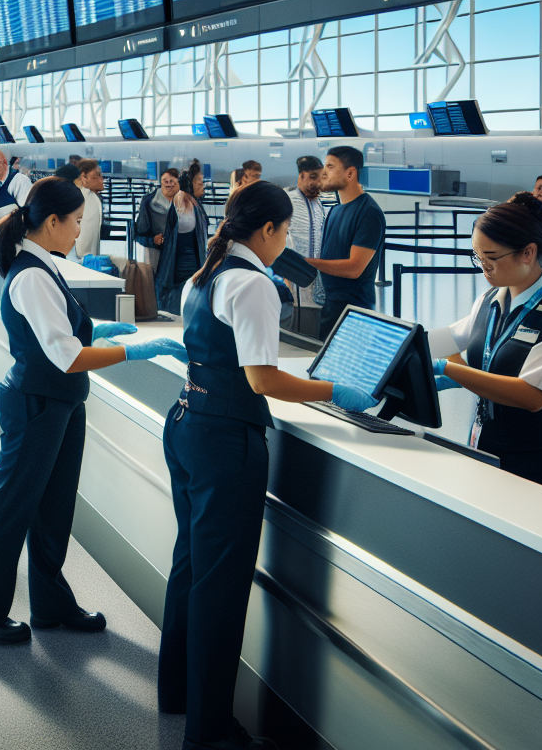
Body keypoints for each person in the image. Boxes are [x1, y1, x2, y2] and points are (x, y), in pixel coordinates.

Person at [159, 181, 376, 750]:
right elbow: (263, 379)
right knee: (222, 586)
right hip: (227, 441)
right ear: (270, 231)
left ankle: (177, 693)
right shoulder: (252, 284)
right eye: (285, 233)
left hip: (185, 423)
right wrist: (336, 389)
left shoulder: (202, 276)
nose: (287, 242)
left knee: (190, 567)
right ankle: (209, 732)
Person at [0, 178, 186, 645]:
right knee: (10, 507)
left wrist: (100, 329)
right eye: (78, 222)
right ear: (53, 221)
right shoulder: (31, 275)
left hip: (60, 403)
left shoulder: (48, 265)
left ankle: (50, 604)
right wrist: (135, 352)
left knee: (54, 509)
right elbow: (66, 355)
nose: (81, 231)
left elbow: (61, 330)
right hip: (37, 404)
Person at [433, 194, 542, 499]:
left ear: (527, 253)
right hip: (487, 451)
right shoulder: (490, 301)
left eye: (491, 258)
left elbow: (532, 395)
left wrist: (450, 370)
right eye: (477, 257)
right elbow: (446, 339)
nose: (483, 267)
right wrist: (389, 343)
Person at [306, 145, 384, 336]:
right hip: (331, 308)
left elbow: (354, 268)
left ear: (350, 173)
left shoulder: (368, 213)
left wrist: (307, 263)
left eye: (330, 167)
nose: (323, 173)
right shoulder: (334, 210)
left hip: (356, 315)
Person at [134, 166, 209, 314]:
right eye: (165, 181)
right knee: (171, 308)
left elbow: (201, 239)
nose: (169, 185)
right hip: (166, 266)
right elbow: (139, 234)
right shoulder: (151, 204)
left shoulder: (197, 209)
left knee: (190, 306)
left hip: (193, 266)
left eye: (172, 181)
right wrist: (152, 240)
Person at [284, 156, 329, 332]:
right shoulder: (288, 200)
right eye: (312, 177)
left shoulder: (320, 206)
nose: (317, 182)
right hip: (293, 283)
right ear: (301, 176)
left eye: (320, 177)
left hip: (317, 283)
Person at [72, 158, 104, 260]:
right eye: (96, 176)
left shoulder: (89, 197)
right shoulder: (86, 197)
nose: (101, 179)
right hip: (83, 260)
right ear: (84, 177)